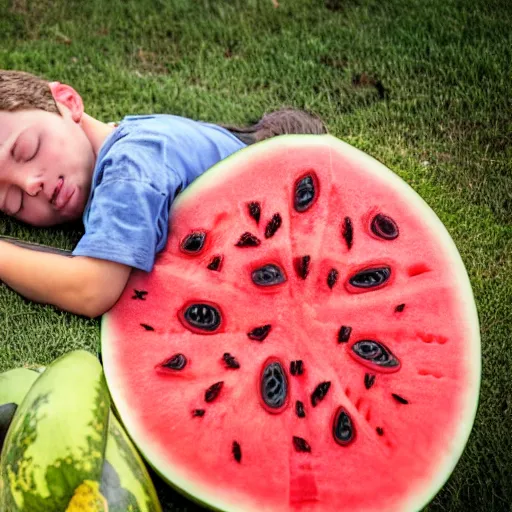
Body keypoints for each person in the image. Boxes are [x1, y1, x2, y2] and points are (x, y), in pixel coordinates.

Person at [0, 70, 326, 317]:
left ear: (67, 102)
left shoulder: (130, 169)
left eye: (27, 150)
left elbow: (91, 289)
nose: (30, 184)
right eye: (13, 202)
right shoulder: (128, 134)